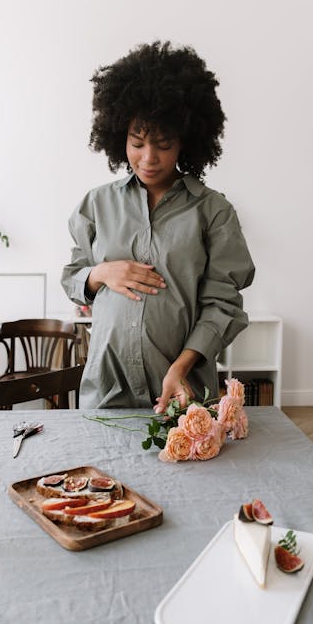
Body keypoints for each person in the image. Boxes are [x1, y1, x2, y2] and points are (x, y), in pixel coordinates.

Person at [61, 41, 255, 412]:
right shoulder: (96, 204)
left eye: (163, 145)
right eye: (137, 143)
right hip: (106, 387)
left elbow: (223, 305)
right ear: (119, 137)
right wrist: (100, 272)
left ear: (186, 141)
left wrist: (181, 367)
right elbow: (72, 278)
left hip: (182, 391)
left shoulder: (213, 211)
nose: (148, 158)